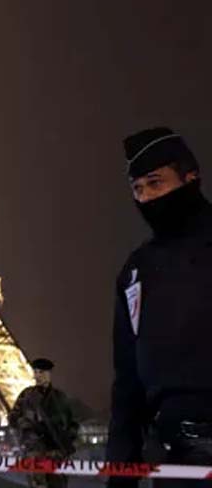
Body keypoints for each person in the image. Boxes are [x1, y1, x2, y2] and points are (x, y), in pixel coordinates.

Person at [107, 127, 212, 486]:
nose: (147, 198)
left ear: (191, 177)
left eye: (156, 183)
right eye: (138, 189)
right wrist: (120, 471)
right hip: (173, 456)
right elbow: (128, 381)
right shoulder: (135, 272)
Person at [9, 358, 78, 488]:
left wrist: (68, 441)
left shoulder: (60, 397)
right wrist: (25, 424)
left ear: (49, 374)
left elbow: (72, 423)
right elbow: (12, 418)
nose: (38, 376)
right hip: (35, 450)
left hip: (56, 451)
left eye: (41, 372)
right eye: (36, 372)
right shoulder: (26, 395)